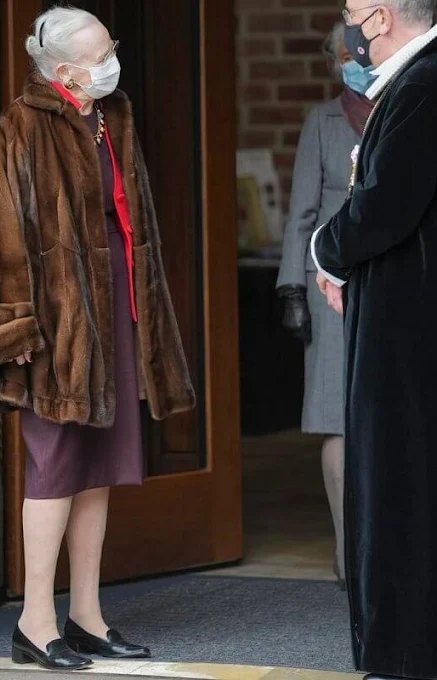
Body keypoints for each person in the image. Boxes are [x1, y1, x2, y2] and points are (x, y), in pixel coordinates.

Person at [0, 5, 195, 672]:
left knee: (99, 469)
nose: (111, 58)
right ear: (63, 71)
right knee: (55, 467)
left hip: (116, 308)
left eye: (109, 45)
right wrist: (13, 327)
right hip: (56, 324)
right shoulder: (19, 128)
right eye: (99, 51)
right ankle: (34, 622)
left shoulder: (111, 116)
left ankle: (86, 616)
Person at [311, 1, 437, 678]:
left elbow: (386, 203)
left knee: (398, 484)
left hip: (407, 327)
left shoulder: (421, 83)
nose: (348, 24)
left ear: (380, 17)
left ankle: (405, 654)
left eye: (352, 10)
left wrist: (327, 251)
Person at [277, 23, 375, 589]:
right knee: (337, 419)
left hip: (389, 280)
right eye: (340, 58)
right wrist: (291, 286)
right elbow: (301, 213)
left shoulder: (404, 108)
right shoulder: (322, 122)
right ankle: (345, 552)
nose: (348, 65)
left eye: (353, 55)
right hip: (328, 287)